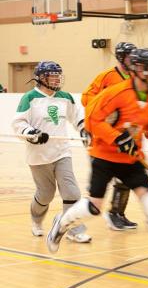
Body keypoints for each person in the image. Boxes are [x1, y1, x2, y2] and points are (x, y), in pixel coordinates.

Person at [46, 49, 148, 273]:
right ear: (137, 71)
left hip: (132, 159)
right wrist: (117, 137)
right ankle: (62, 223)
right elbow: (92, 120)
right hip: (104, 156)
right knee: (95, 207)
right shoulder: (116, 93)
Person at [11, 61, 91, 244]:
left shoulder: (66, 97)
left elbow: (78, 117)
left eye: (58, 75)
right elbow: (18, 124)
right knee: (46, 194)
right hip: (38, 156)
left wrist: (84, 130)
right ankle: (36, 221)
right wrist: (32, 134)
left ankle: (74, 230)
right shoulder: (30, 98)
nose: (56, 79)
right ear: (40, 78)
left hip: (62, 153)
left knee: (71, 192)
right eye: (52, 75)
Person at [82, 42, 138, 231]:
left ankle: (117, 213)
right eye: (130, 56)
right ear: (121, 57)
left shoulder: (135, 78)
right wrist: (106, 109)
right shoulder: (106, 77)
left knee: (125, 178)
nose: (134, 60)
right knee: (104, 179)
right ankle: (83, 214)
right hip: (105, 136)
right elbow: (86, 97)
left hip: (125, 134)